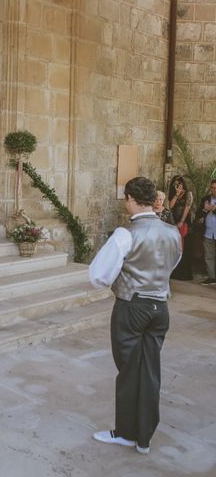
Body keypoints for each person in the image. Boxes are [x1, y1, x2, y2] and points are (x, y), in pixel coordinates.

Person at [89, 177, 181, 455]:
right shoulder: (172, 232)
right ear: (153, 199)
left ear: (129, 198)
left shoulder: (125, 234)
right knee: (150, 370)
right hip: (160, 308)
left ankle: (127, 434)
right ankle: (145, 437)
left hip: (132, 307)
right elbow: (172, 263)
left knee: (129, 371)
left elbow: (98, 275)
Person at [168, 175, 193, 280]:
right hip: (173, 221)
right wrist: (176, 195)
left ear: (183, 184)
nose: (178, 185)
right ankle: (175, 272)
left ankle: (185, 274)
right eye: (175, 184)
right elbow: (170, 206)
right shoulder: (174, 194)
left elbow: (187, 207)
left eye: (179, 183)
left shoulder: (189, 194)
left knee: (184, 247)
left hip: (184, 222)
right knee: (175, 247)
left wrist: (182, 221)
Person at [196, 179, 216, 285]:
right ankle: (212, 277)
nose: (214, 190)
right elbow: (198, 213)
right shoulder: (206, 199)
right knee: (209, 256)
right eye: (212, 188)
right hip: (208, 233)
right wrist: (205, 210)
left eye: (215, 188)